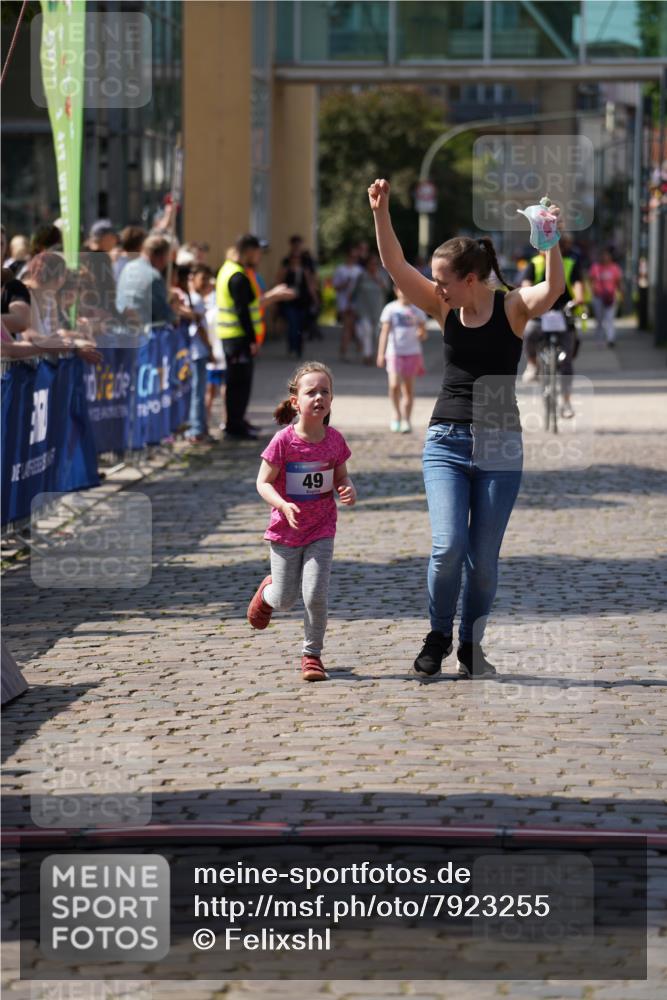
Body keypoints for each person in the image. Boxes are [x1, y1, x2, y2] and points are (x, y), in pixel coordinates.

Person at [369, 176, 566, 680]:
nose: (436, 287)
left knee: (482, 559)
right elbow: (395, 266)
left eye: (444, 279)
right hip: (447, 441)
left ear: (471, 279)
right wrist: (381, 211)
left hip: (501, 442)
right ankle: (437, 635)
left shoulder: (514, 307)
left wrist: (550, 241)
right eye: (435, 280)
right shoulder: (443, 309)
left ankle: (470, 644)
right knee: (448, 546)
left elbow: (556, 288)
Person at [246, 362, 356, 682]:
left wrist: (347, 489)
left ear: (331, 400)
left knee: (315, 595)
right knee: (284, 599)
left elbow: (342, 476)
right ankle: (267, 591)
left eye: (325, 391)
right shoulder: (283, 442)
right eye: (311, 392)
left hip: (321, 529)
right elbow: (263, 482)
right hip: (285, 531)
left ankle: (312, 656)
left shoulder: (334, 440)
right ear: (296, 402)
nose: (319, 397)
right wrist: (282, 504)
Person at [519, 237, 585, 419]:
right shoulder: (534, 264)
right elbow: (525, 285)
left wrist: (578, 300)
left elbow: (579, 286)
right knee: (530, 331)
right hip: (540, 314)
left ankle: (566, 401)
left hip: (563, 315)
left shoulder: (570, 264)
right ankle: (532, 364)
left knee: (567, 362)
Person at [377, 286, 427, 433]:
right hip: (394, 353)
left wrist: (421, 334)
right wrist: (381, 354)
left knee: (408, 389)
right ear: (396, 290)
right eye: (401, 289)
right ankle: (396, 414)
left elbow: (424, 333)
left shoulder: (418, 310)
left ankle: (406, 419)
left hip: (412, 353)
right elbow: (384, 332)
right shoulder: (390, 309)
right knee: (394, 386)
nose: (404, 292)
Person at [116, 234, 175, 328]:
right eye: (167, 257)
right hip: (143, 333)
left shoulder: (128, 267)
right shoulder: (154, 277)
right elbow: (163, 314)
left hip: (122, 327)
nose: (166, 263)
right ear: (161, 257)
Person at [276, 235, 319, 359]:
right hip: (289, 299)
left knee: (301, 325)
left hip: (303, 299)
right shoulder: (286, 262)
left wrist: (315, 298)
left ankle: (299, 349)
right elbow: (279, 279)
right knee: (292, 324)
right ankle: (292, 348)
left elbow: (311, 281)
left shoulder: (306, 262)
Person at [349, 251, 391, 364]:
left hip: (378, 309)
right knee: (366, 331)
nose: (373, 266)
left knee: (376, 333)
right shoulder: (361, 276)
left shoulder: (382, 275)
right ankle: (367, 356)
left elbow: (387, 289)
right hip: (363, 309)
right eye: (371, 263)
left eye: (375, 264)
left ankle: (377, 355)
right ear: (367, 264)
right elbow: (353, 292)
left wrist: (377, 279)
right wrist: (352, 308)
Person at [332, 244, 362, 360]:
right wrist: (345, 284)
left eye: (355, 256)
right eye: (351, 256)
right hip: (344, 302)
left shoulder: (359, 270)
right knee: (348, 327)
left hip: (356, 302)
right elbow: (335, 286)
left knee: (352, 327)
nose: (353, 258)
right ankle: (347, 351)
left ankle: (351, 350)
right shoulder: (340, 269)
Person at [589, 247, 623, 347]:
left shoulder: (615, 268)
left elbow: (618, 282)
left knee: (610, 319)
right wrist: (593, 290)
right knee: (599, 320)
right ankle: (599, 340)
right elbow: (591, 281)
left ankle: (610, 339)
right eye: (603, 255)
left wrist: (621, 294)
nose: (605, 257)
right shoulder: (595, 267)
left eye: (607, 255)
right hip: (598, 297)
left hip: (611, 297)